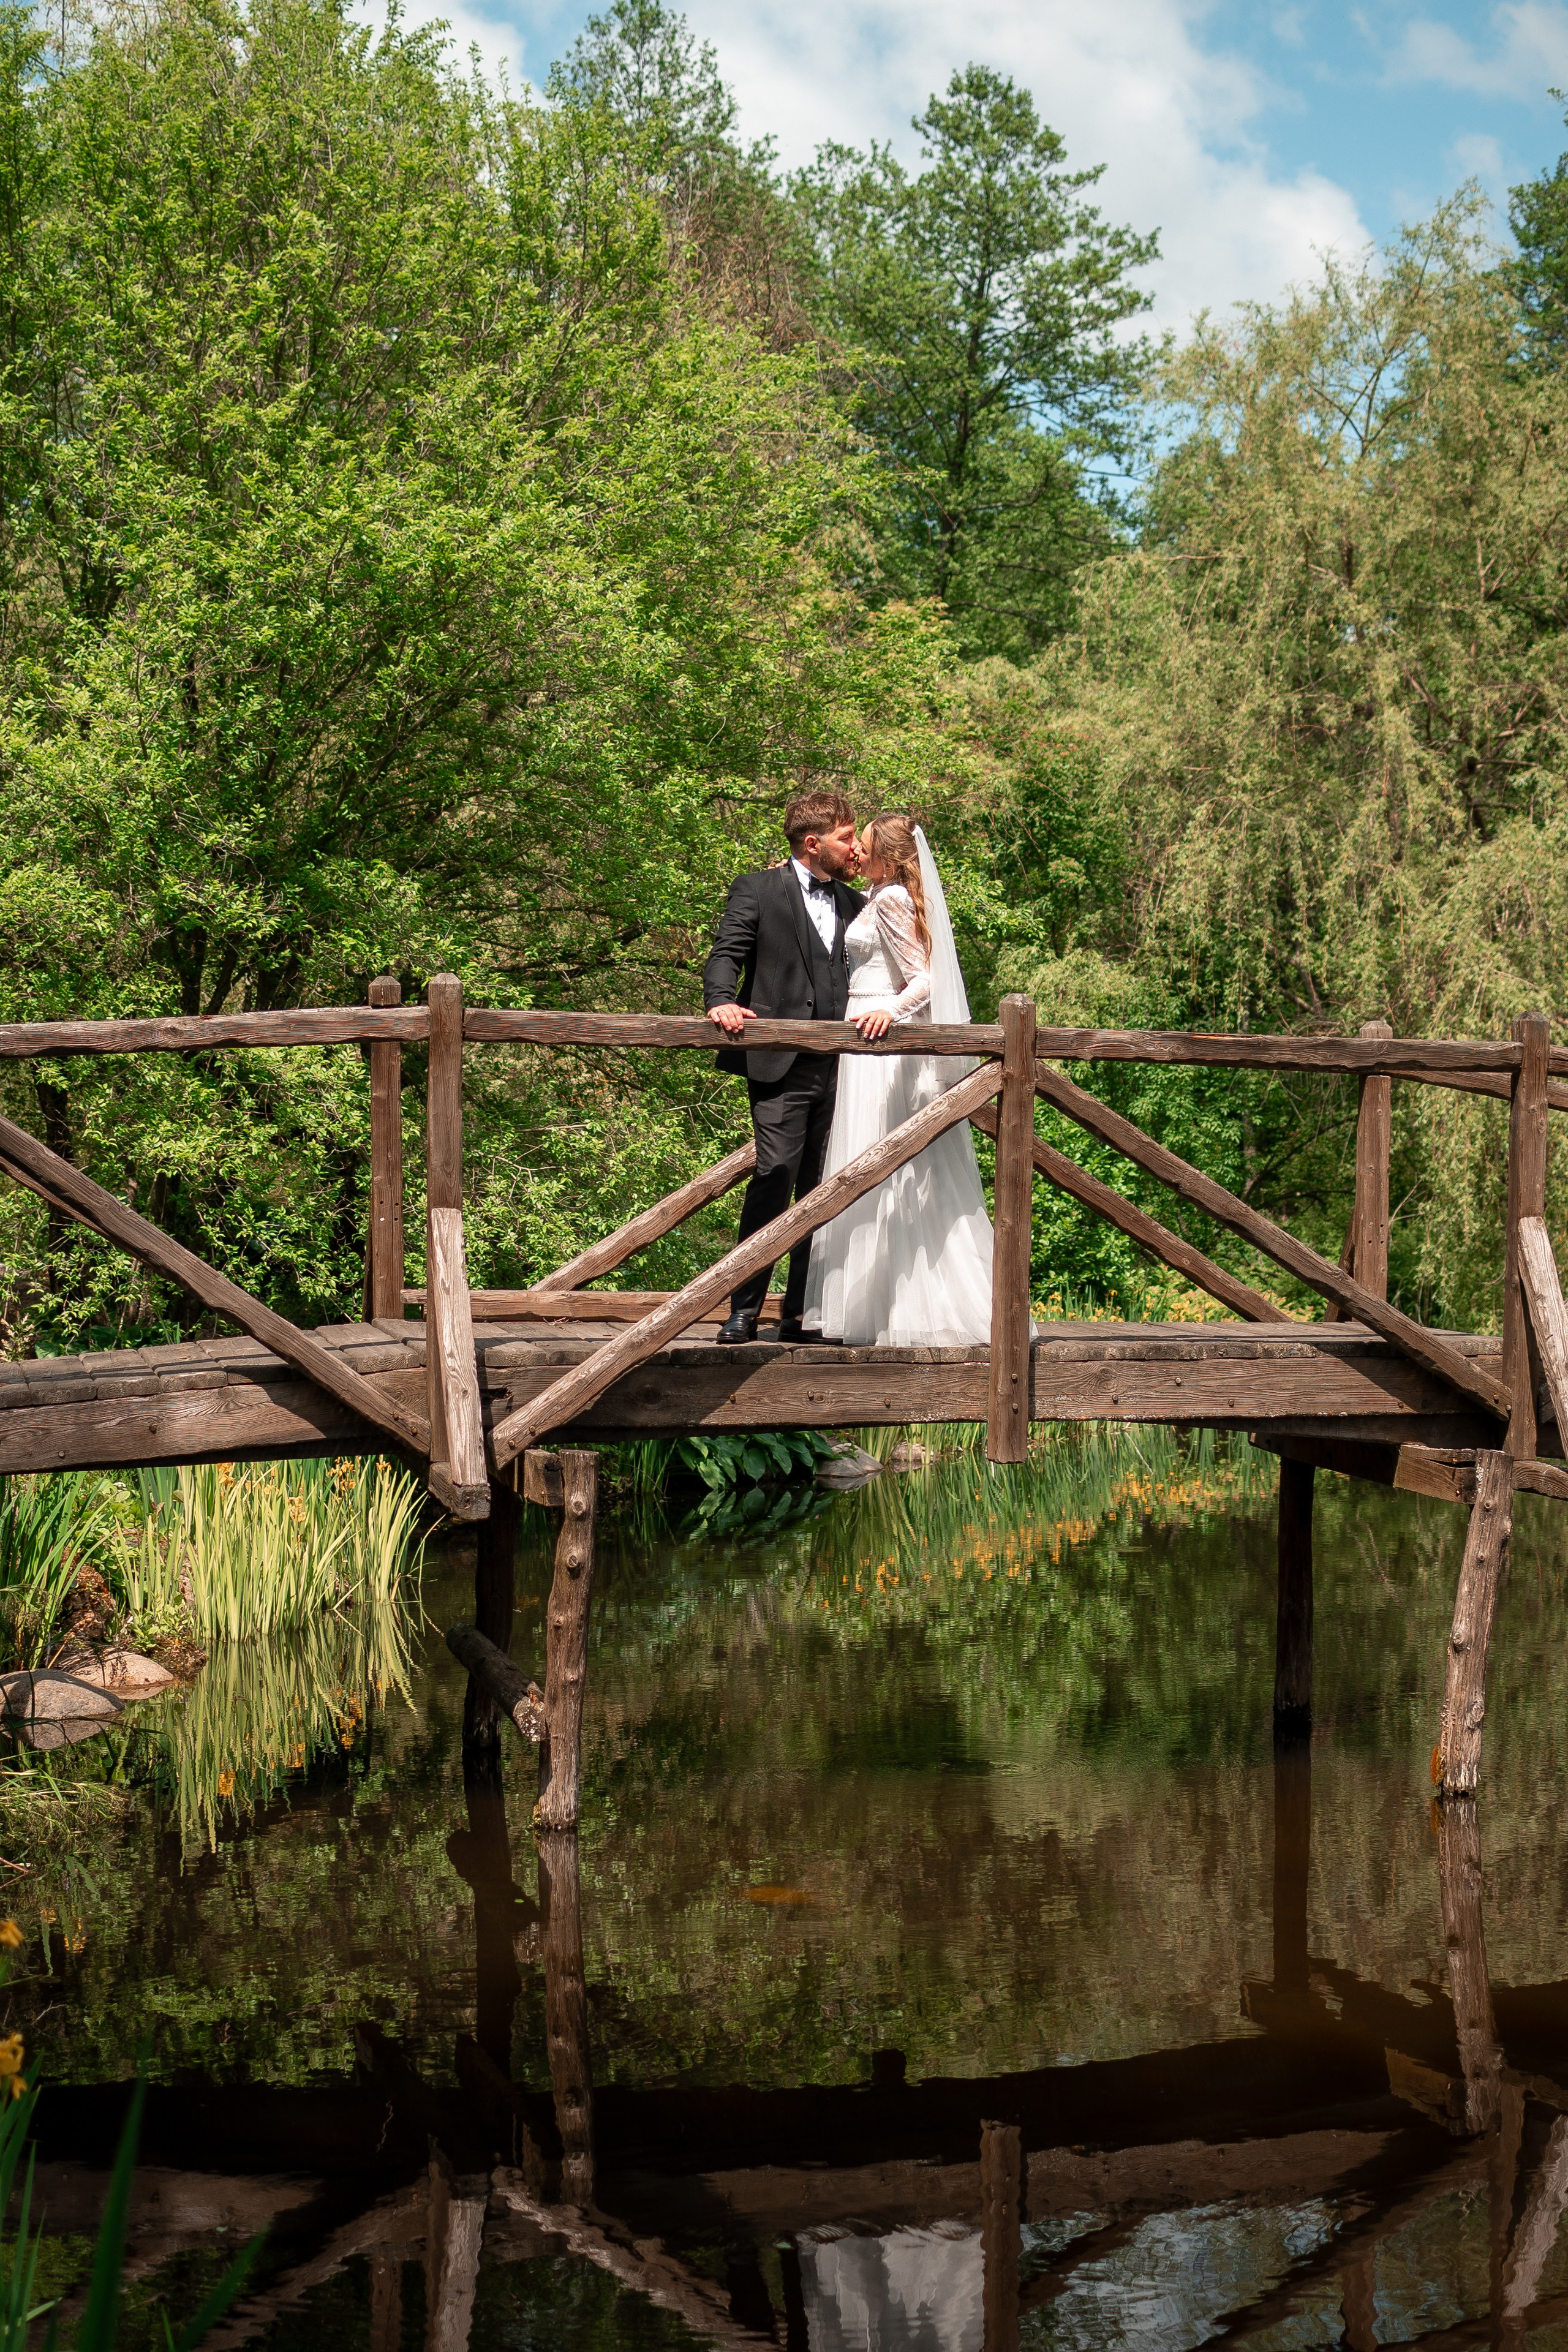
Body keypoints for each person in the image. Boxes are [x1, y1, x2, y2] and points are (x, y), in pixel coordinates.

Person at [800, 812, 997, 1347]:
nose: (857, 854)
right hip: (864, 1042)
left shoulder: (888, 900)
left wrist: (888, 1010)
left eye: (863, 846)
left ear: (886, 855)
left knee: (877, 1167)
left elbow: (923, 981)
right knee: (873, 1169)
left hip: (878, 1047)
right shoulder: (880, 895)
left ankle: (887, 1307)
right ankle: (877, 1302)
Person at [703, 788, 863, 1344]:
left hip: (846, 1068)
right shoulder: (758, 887)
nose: (855, 847)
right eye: (847, 837)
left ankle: (801, 1314)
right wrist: (720, 999)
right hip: (779, 1062)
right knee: (775, 1175)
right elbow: (727, 951)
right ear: (813, 842)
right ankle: (744, 1308)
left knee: (824, 1188)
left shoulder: (856, 903)